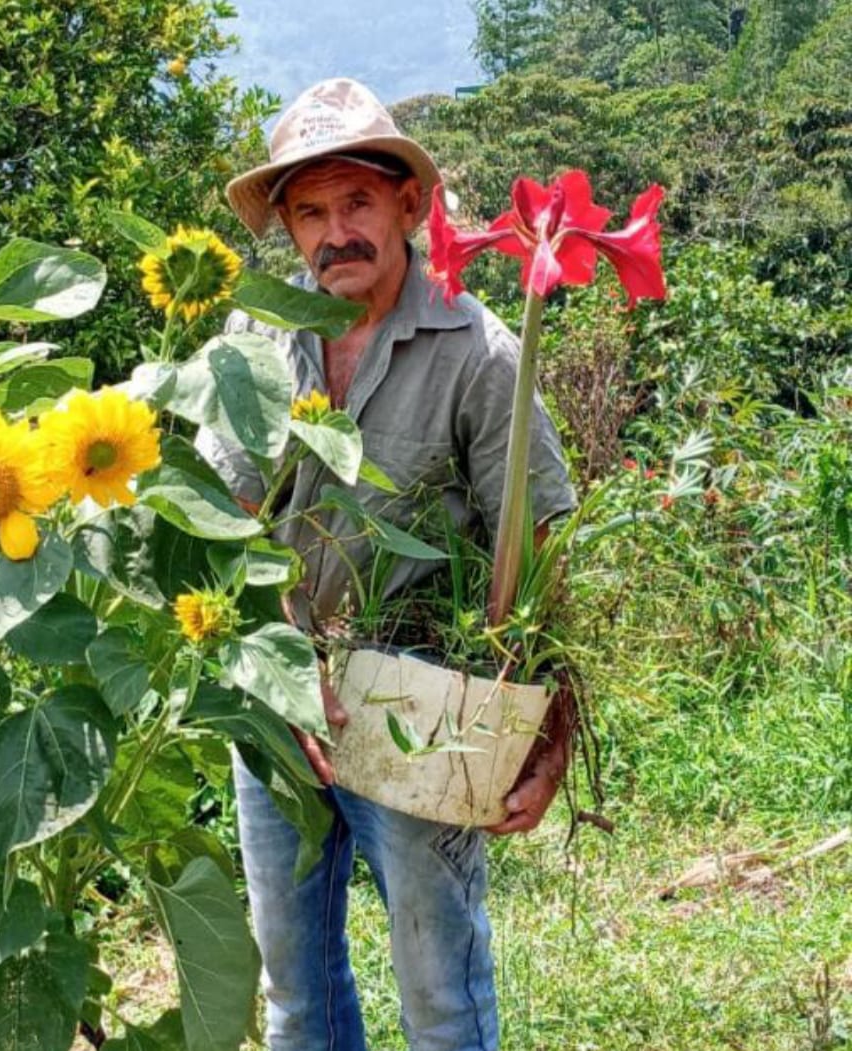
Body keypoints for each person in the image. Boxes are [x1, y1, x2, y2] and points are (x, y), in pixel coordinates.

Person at [197, 77, 577, 1051]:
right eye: (311, 212)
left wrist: (551, 727)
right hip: (280, 703)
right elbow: (225, 521)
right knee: (293, 997)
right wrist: (280, 666)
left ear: (410, 205)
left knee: (440, 995)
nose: (337, 233)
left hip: (422, 702)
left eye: (358, 202)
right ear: (287, 229)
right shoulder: (252, 342)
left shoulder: (477, 350)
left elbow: (540, 547)